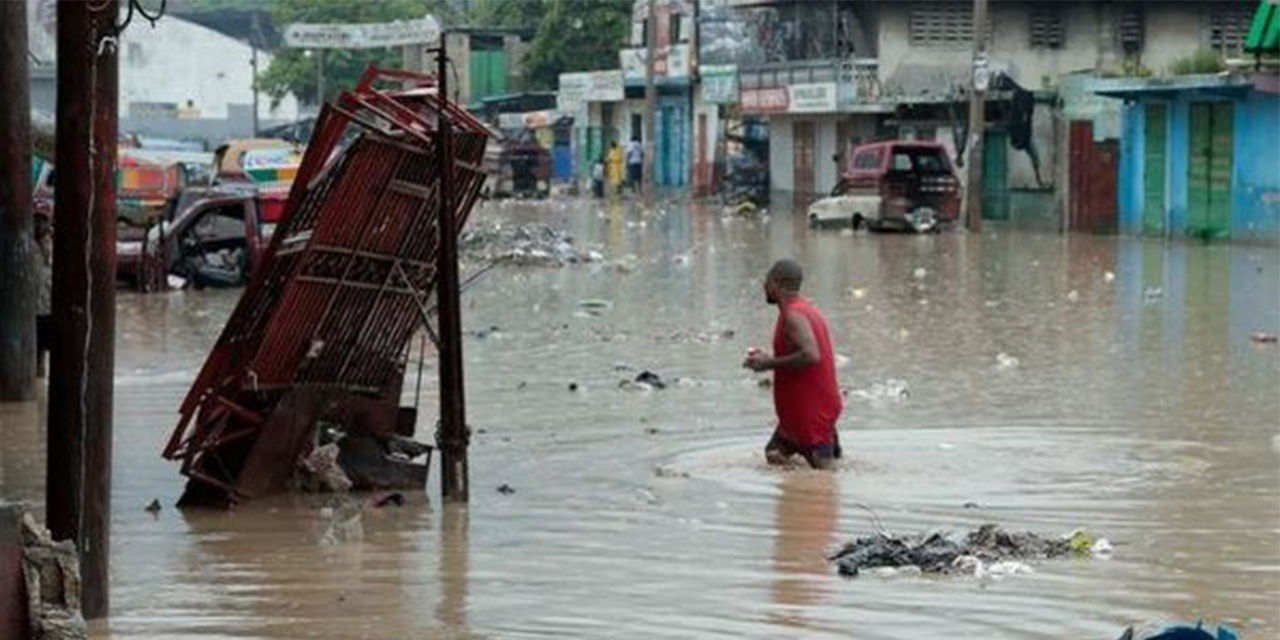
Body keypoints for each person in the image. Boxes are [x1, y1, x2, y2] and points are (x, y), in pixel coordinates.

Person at [743, 259, 843, 469]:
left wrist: (768, 363)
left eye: (767, 282)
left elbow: (811, 355)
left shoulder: (793, 316)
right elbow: (800, 352)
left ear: (777, 284)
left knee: (825, 478)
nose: (764, 287)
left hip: (810, 414)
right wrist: (768, 358)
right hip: (798, 415)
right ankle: (796, 493)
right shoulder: (804, 310)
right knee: (774, 454)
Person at [34, 213, 53, 378]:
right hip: (32, 309)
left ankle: (40, 380)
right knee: (36, 350)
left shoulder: (52, 246)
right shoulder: (28, 247)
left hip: (47, 308)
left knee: (43, 350)